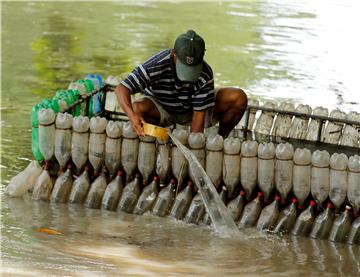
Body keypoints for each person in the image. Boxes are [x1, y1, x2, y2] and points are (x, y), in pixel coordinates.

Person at [115, 29, 247, 138]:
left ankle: (220, 139)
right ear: (174, 54)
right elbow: (122, 88)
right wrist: (132, 117)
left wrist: (195, 144)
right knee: (137, 108)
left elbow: (198, 116)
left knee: (238, 98)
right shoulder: (157, 63)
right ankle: (155, 139)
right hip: (161, 108)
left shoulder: (205, 73)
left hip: (191, 110)